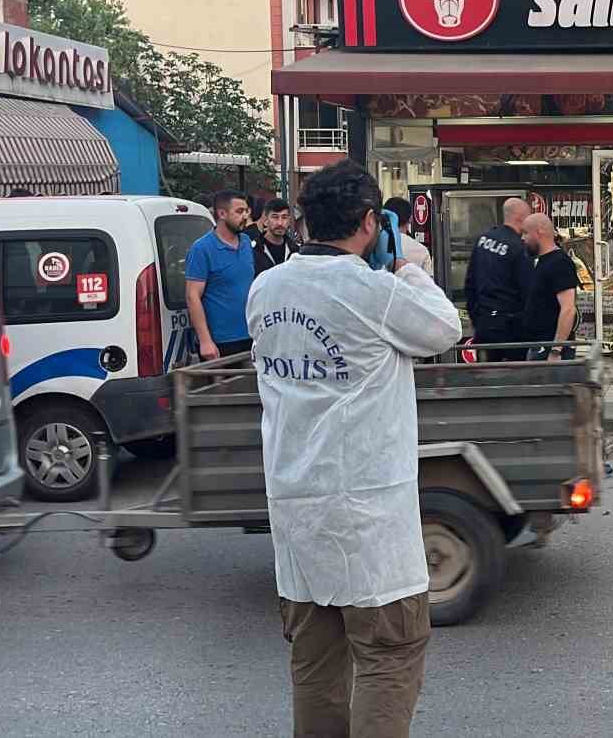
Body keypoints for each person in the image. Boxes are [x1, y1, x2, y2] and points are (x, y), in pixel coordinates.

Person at [247, 160, 459, 738]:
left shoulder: (266, 288)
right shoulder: (372, 291)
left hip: (295, 508)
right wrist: (410, 269)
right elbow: (444, 330)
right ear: (370, 222)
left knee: (315, 666)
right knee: (390, 655)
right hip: (367, 516)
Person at [185, 190, 255, 360]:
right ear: (222, 214)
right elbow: (192, 296)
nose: (245, 216)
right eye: (239, 211)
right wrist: (205, 340)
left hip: (250, 336)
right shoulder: (202, 249)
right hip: (220, 342)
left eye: (246, 211)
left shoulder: (246, 242)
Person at [463, 197, 532, 361]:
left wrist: (477, 318)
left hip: (484, 323)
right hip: (510, 327)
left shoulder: (483, 240)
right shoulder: (519, 248)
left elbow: (470, 283)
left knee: (486, 376)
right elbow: (528, 291)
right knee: (514, 377)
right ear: (520, 218)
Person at [521, 213, 580, 361]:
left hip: (549, 349)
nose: (522, 238)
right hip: (539, 345)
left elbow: (568, 309)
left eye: (526, 233)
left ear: (539, 232)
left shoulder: (559, 263)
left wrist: (555, 350)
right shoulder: (541, 261)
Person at [254, 198, 299, 276]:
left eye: (284, 217)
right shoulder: (254, 250)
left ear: (289, 220)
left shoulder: (295, 250)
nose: (280, 223)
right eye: (275, 217)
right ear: (265, 220)